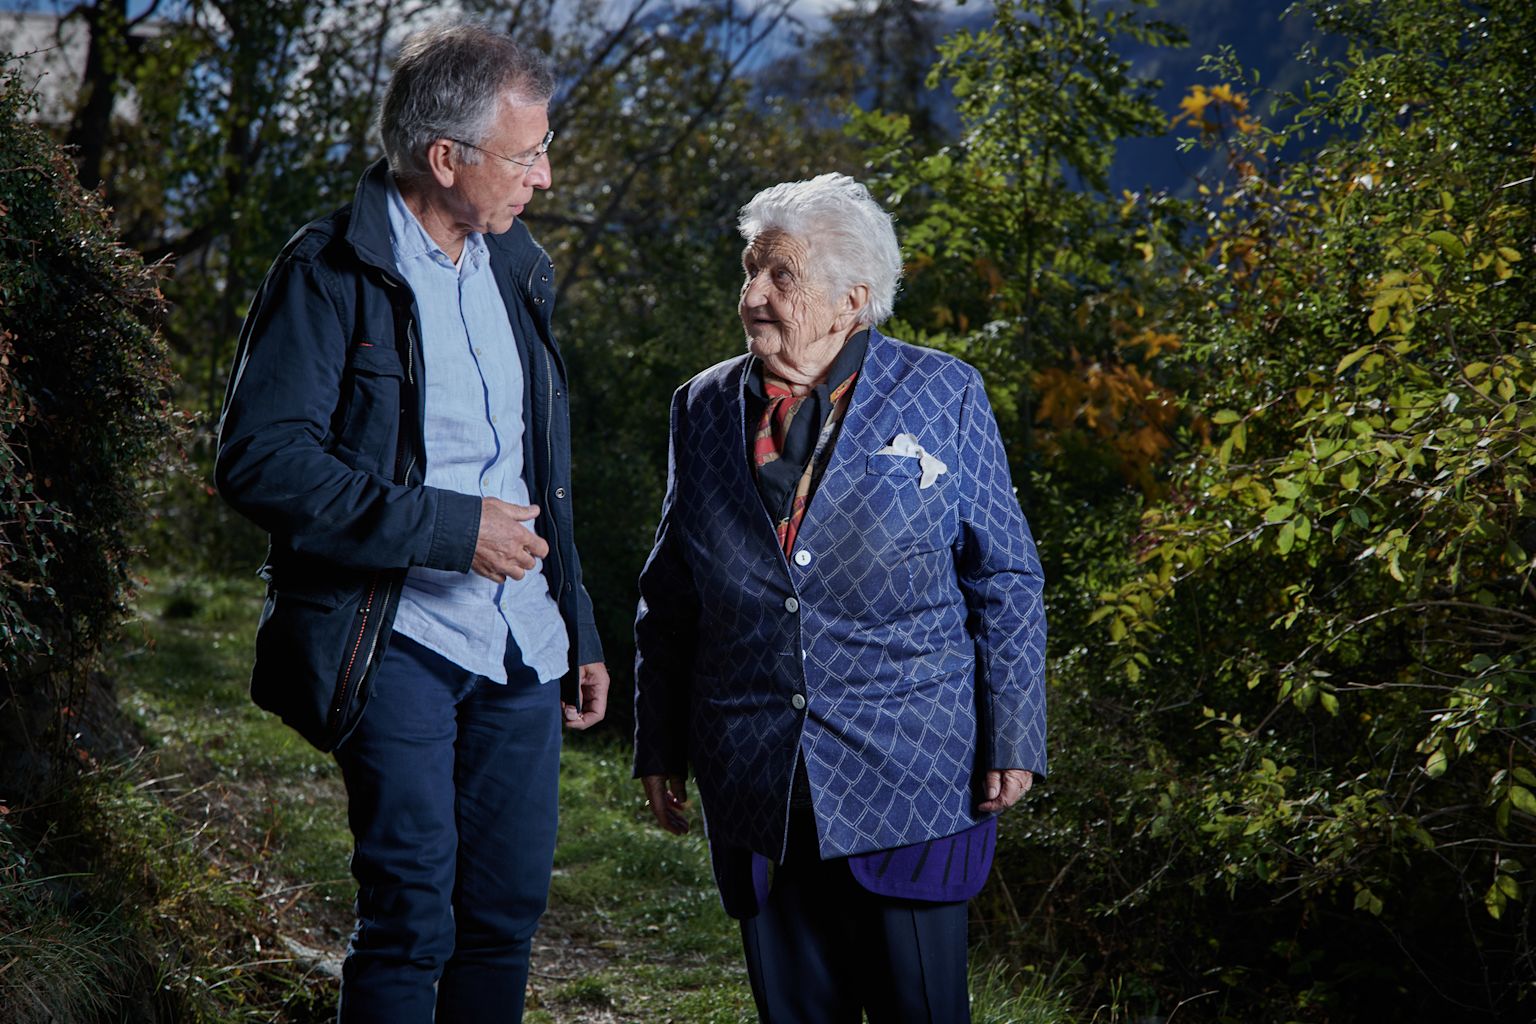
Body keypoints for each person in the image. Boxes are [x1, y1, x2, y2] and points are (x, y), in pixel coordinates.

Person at [215, 21, 608, 1024]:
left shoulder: (515, 266)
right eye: (527, 155)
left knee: (506, 914)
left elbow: (538, 469)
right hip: (392, 633)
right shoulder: (328, 270)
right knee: (411, 916)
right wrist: (446, 528)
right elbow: (261, 462)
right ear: (448, 157)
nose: (545, 177)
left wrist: (578, 621)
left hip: (522, 638)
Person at [632, 173, 1047, 1023]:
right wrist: (658, 742)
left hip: (915, 776)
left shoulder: (943, 392)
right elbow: (669, 591)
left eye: (778, 275)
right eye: (750, 271)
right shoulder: (701, 406)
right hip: (756, 775)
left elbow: (1003, 575)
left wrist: (1017, 731)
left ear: (850, 300)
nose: (751, 294)